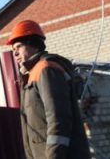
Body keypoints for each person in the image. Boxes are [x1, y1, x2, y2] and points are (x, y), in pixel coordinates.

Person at [7, 19, 91, 159]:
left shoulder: (46, 69)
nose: (15, 53)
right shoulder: (30, 74)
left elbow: (59, 120)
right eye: (13, 50)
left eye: (19, 47)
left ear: (34, 44)